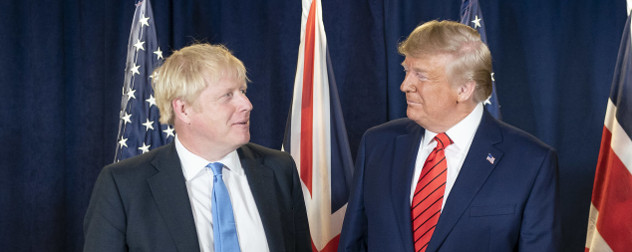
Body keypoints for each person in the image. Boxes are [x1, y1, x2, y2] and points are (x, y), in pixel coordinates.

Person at [338, 20, 560, 252]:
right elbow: (353, 243)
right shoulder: (377, 145)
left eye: (421, 76)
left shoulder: (532, 163)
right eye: (407, 71)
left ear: (464, 89)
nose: (405, 85)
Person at [84, 43, 311, 252]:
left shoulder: (279, 170)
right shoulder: (123, 185)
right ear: (183, 110)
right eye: (227, 95)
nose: (247, 104)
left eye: (242, 91)